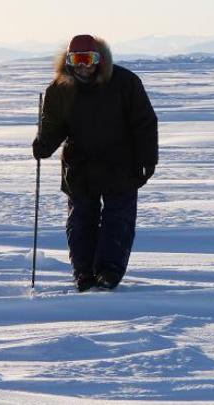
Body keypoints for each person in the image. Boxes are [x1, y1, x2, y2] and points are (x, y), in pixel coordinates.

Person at [32, 34, 158, 292]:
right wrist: (44, 144)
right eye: (76, 59)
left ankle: (109, 271)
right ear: (68, 60)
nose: (83, 66)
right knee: (80, 221)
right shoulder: (59, 89)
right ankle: (84, 274)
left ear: (99, 60)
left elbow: (143, 123)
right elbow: (55, 126)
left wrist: (147, 158)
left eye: (88, 59)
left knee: (118, 220)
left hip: (121, 163)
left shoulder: (124, 82)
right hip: (81, 165)